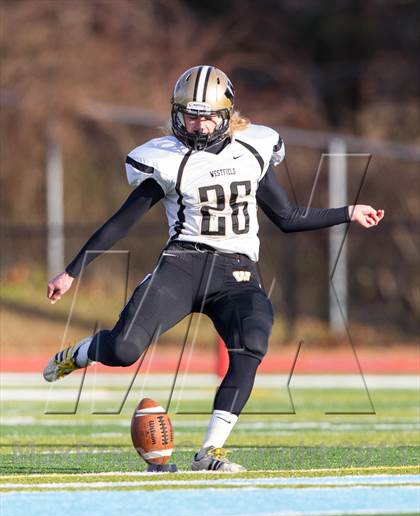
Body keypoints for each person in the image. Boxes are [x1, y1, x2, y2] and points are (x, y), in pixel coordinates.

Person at [43, 65, 384, 472]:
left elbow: (288, 217)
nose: (197, 124)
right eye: (189, 114)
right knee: (122, 351)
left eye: (206, 115)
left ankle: (210, 452)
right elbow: (121, 221)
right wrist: (72, 270)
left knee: (252, 344)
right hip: (183, 265)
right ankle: (81, 352)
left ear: (226, 115)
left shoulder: (254, 148)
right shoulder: (167, 159)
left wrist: (347, 211)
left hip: (237, 272)